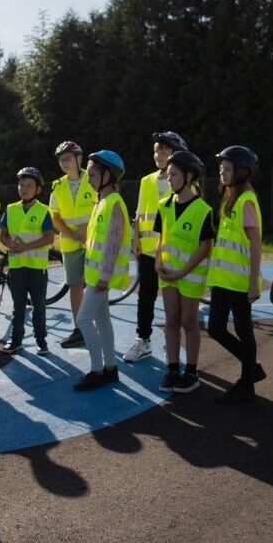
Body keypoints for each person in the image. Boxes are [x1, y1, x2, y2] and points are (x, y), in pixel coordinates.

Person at [206, 145, 265, 405]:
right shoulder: (229, 198)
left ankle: (246, 385)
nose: (222, 172)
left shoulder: (246, 201)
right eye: (221, 168)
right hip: (222, 279)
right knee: (215, 328)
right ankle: (251, 368)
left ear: (241, 172)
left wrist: (253, 283)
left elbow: (255, 243)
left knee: (244, 330)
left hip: (239, 281)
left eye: (227, 169)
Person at [154, 150, 214, 394]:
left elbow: (205, 246)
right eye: (168, 175)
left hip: (189, 275)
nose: (169, 179)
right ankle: (172, 368)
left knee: (189, 322)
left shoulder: (203, 209)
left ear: (189, 176)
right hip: (168, 274)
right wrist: (157, 261)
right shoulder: (164, 205)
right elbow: (161, 238)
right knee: (171, 321)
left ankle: (191, 371)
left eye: (174, 174)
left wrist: (183, 272)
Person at [125, 131, 188, 363]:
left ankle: (173, 342)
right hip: (150, 251)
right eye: (156, 150)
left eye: (163, 150)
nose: (158, 154)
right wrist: (136, 239)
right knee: (146, 297)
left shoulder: (186, 180)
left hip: (173, 252)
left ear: (174, 153)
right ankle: (143, 341)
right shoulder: (146, 181)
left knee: (175, 300)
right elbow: (140, 213)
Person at [73, 150, 132, 391]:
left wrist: (104, 277)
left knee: (83, 319)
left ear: (107, 175)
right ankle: (110, 369)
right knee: (102, 320)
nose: (89, 179)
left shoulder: (114, 204)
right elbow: (95, 244)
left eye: (93, 174)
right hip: (96, 276)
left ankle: (97, 370)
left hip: (102, 278)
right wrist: (91, 276)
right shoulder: (102, 202)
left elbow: (113, 244)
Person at [0, 167, 55, 355]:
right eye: (21, 184)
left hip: (37, 268)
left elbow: (49, 238)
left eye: (29, 185)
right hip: (17, 267)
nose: (24, 188)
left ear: (38, 190)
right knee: (18, 306)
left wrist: (25, 246)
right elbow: (3, 235)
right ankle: (16, 340)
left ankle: (41, 340)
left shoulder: (44, 211)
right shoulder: (10, 209)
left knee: (39, 306)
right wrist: (8, 243)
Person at [48, 141, 98, 348]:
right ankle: (80, 329)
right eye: (61, 160)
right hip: (70, 242)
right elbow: (55, 216)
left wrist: (86, 228)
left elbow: (102, 206)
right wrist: (72, 233)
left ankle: (95, 326)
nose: (64, 163)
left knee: (95, 284)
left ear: (79, 159)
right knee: (75, 285)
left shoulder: (94, 178)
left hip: (93, 240)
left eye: (68, 158)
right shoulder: (57, 185)